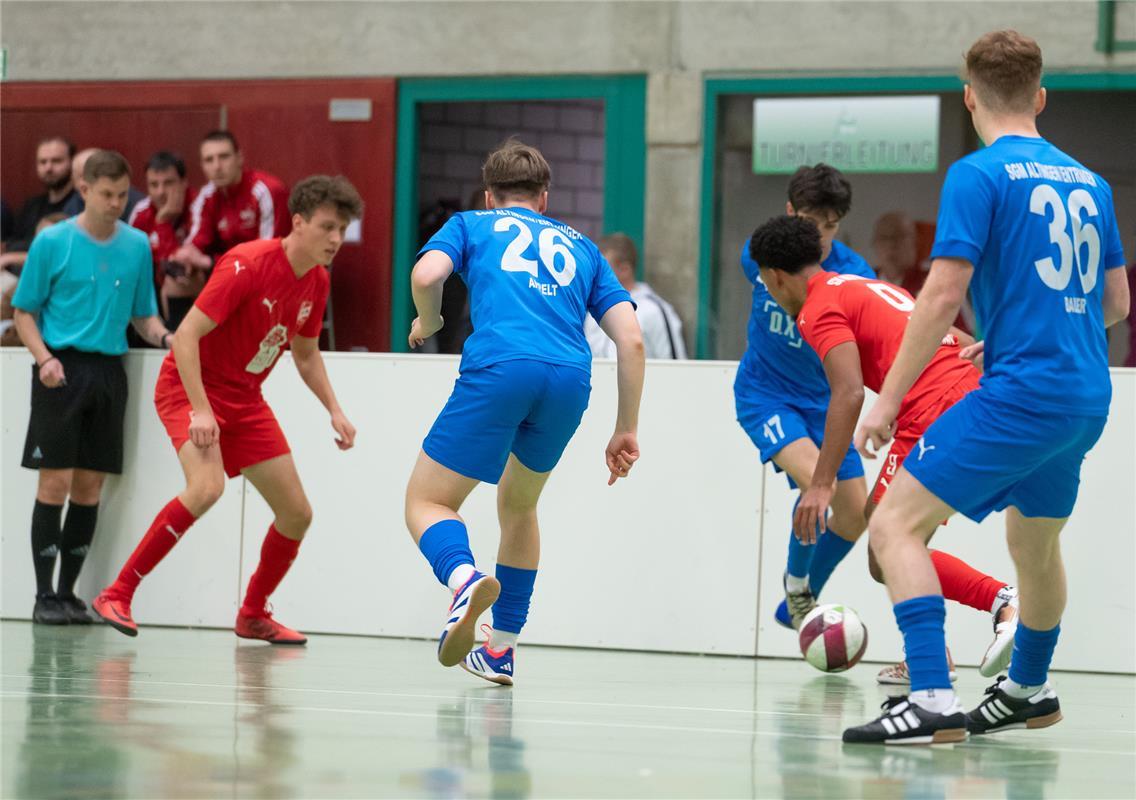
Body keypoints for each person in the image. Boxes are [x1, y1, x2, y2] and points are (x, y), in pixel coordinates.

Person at [845, 30, 1129, 745]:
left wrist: (887, 399)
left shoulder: (979, 174)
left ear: (969, 97)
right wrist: (1015, 334)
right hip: (1084, 396)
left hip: (1023, 395)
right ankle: (1029, 687)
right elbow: (1116, 302)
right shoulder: (1090, 182)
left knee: (892, 527)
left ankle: (932, 697)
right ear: (1040, 98)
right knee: (1033, 543)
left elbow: (942, 293)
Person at [405, 139, 644, 684]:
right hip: (568, 381)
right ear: (544, 198)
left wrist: (431, 321)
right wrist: (625, 428)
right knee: (519, 507)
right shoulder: (584, 247)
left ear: (490, 195)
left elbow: (425, 278)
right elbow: (629, 341)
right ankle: (502, 648)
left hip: (501, 368)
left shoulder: (471, 225)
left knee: (427, 501)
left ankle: (463, 578)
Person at [749, 214, 1020, 685]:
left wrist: (820, 484)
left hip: (932, 407)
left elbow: (848, 392)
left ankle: (1000, 600)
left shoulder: (816, 308)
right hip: (967, 395)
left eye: (763, 279)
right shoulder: (858, 284)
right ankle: (933, 655)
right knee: (898, 543)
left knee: (886, 545)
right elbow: (946, 335)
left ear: (775, 276)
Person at [92, 175, 362, 644]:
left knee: (296, 513)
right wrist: (201, 411)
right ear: (297, 223)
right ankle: (117, 592)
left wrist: (334, 409)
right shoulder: (247, 264)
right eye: (326, 227)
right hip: (188, 387)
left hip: (244, 399)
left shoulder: (317, 281)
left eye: (342, 229)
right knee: (207, 487)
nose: (336, 239)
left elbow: (305, 353)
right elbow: (189, 336)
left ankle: (253, 613)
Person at [11, 150, 171, 625]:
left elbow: (143, 314)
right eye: (106, 195)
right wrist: (44, 359)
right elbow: (23, 312)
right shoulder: (52, 242)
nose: (116, 203)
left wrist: (167, 337)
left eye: (123, 194)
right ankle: (43, 597)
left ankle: (69, 593)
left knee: (90, 485)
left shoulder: (137, 245)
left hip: (108, 370)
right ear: (84, 191)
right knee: (55, 481)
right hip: (60, 369)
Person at [734, 164, 875, 632]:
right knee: (820, 481)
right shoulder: (761, 255)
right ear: (791, 212)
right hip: (766, 395)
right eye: (814, 223)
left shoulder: (855, 274)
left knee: (856, 515)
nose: (823, 236)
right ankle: (797, 592)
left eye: (832, 226)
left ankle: (799, 593)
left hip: (825, 403)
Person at [174, 130, 289, 271]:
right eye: (209, 160)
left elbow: (268, 255)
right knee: (179, 279)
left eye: (224, 157)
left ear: (239, 158)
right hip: (228, 270)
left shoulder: (266, 191)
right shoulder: (206, 196)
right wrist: (185, 256)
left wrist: (210, 262)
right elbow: (195, 243)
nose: (217, 167)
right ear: (202, 166)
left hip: (269, 272)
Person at [128, 151, 201, 328]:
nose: (160, 192)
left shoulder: (200, 205)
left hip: (197, 288)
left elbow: (181, 267)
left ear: (183, 183)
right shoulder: (141, 213)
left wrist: (162, 224)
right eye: (154, 185)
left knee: (177, 279)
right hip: (155, 289)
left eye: (168, 183)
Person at [584, 233, 687, 359]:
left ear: (625, 269)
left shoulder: (653, 310)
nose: (595, 274)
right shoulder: (592, 310)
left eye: (603, 269)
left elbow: (675, 367)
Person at [4, 137, 79, 271]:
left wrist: (12, 257)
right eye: (43, 162)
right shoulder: (31, 205)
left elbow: (64, 254)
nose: (48, 168)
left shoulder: (79, 206)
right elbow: (11, 243)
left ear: (72, 163)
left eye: (56, 161)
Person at [61, 148, 144, 220]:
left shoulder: (137, 205)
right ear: (73, 180)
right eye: (82, 176)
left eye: (94, 174)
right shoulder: (71, 205)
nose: (115, 203)